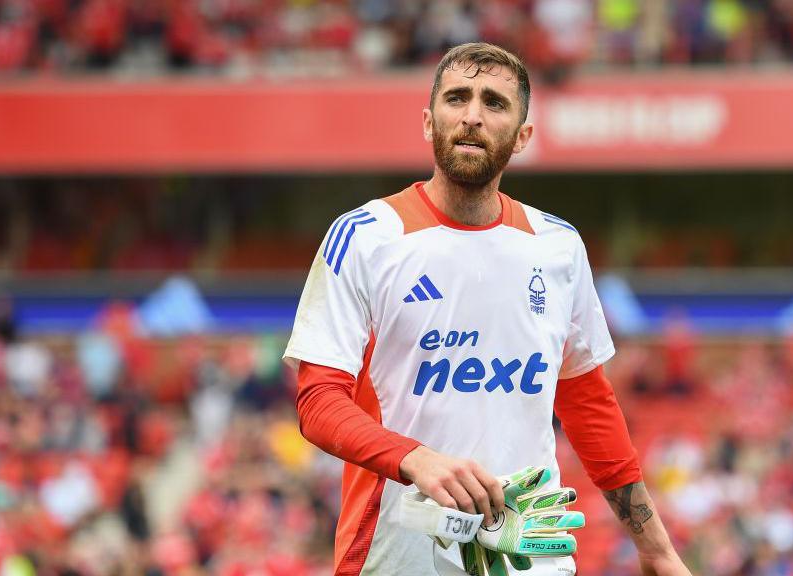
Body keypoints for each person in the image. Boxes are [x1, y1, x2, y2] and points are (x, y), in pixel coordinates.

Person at [284, 42, 691, 576]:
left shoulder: (558, 246)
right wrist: (415, 458)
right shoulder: (365, 237)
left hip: (528, 554)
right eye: (457, 98)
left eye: (495, 103)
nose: (473, 115)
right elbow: (318, 404)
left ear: (523, 136)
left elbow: (587, 403)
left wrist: (655, 547)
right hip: (396, 554)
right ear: (429, 123)